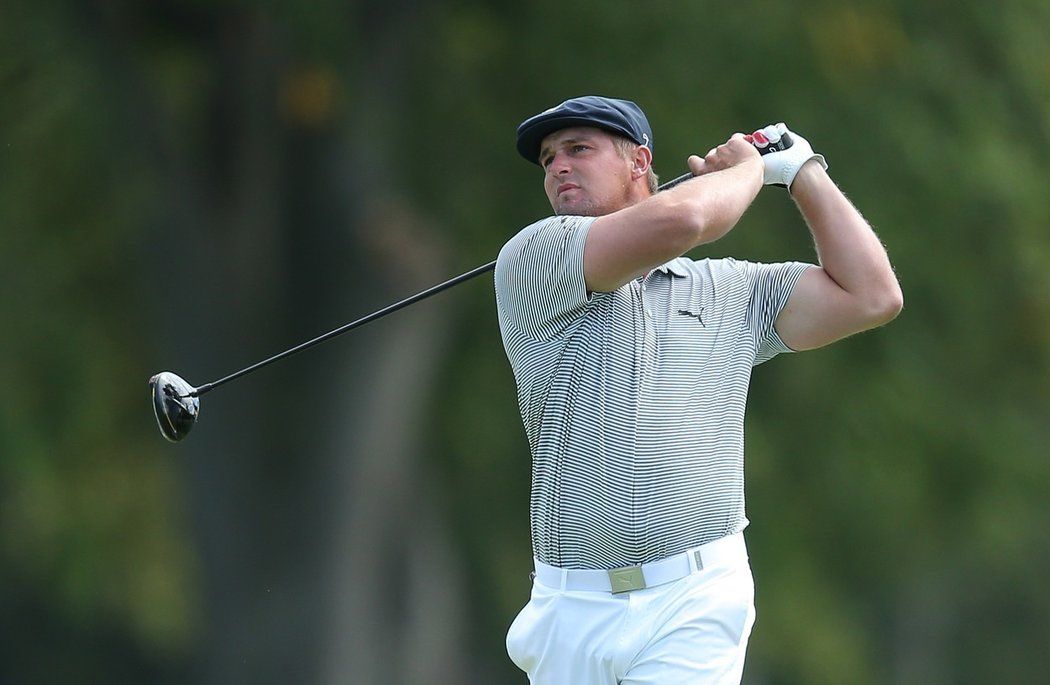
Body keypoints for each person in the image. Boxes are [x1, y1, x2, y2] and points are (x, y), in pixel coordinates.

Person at [494, 95, 903, 684]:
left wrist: (803, 174)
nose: (558, 166)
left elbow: (873, 296)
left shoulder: (732, 289)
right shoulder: (535, 257)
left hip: (695, 597)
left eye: (578, 149)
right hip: (571, 610)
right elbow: (682, 221)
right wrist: (750, 170)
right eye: (548, 159)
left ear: (640, 162)